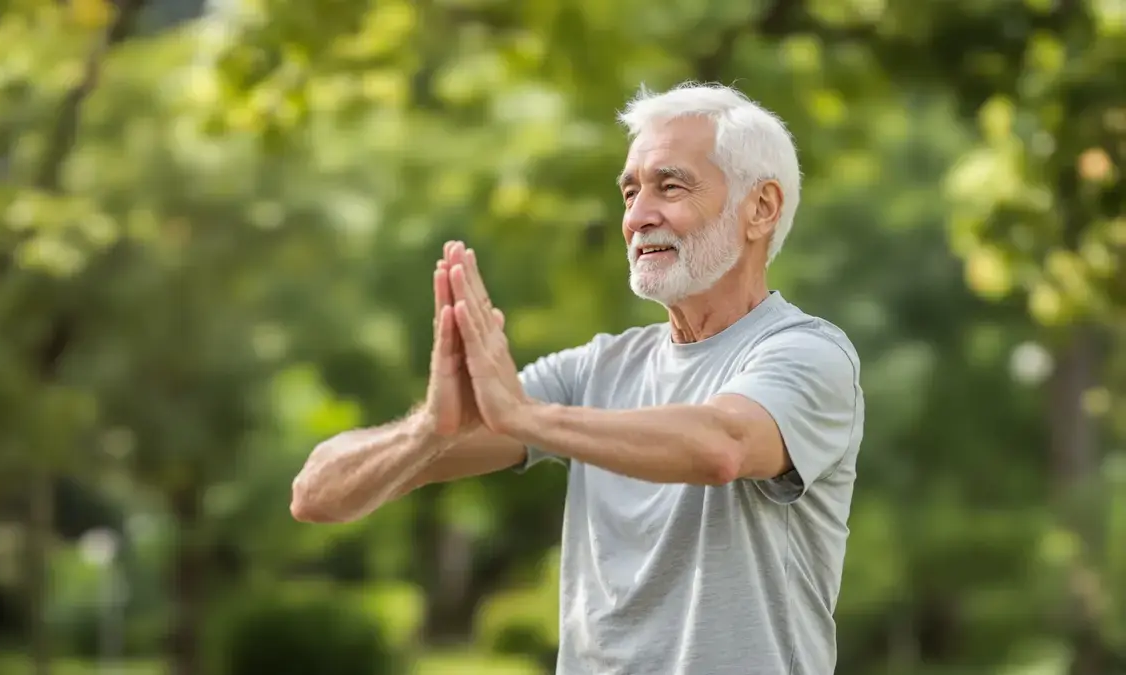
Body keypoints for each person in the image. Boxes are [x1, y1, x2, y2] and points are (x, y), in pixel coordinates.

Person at [291, 81, 865, 675]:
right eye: (629, 192)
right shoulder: (596, 369)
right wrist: (427, 432)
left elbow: (723, 445)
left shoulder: (808, 354)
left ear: (761, 208)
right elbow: (317, 495)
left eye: (670, 186)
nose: (638, 217)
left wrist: (525, 417)